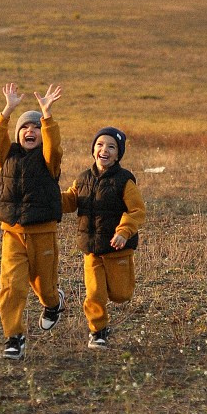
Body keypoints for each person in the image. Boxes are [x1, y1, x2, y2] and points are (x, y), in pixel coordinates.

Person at [0, 81, 65, 361]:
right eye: (25, 128)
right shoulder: (7, 155)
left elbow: (54, 146)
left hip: (43, 233)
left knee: (44, 286)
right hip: (13, 233)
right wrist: (7, 111)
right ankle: (14, 336)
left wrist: (47, 116)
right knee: (12, 285)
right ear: (18, 134)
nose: (30, 131)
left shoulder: (48, 161)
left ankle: (53, 304)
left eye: (35, 128)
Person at [61, 126, 145, 350]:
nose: (104, 150)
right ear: (93, 150)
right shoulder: (83, 179)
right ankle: (98, 331)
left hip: (118, 248)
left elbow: (137, 210)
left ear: (118, 155)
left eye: (111, 147)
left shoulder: (124, 181)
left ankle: (113, 290)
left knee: (121, 294)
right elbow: (69, 200)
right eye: (99, 145)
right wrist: (49, 198)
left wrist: (123, 232)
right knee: (95, 293)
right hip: (92, 248)